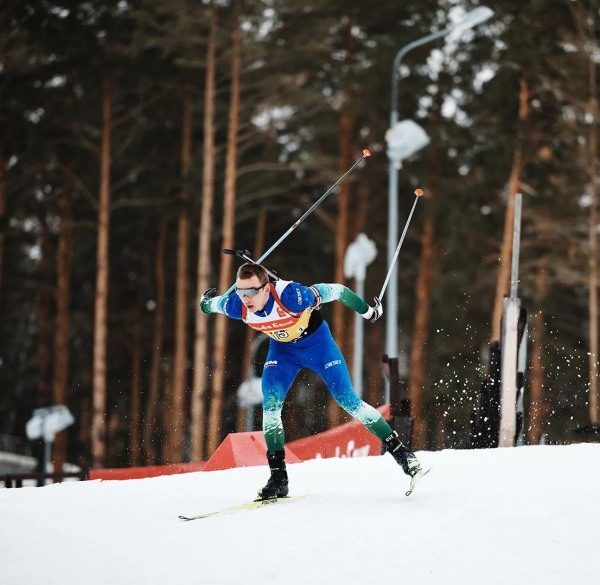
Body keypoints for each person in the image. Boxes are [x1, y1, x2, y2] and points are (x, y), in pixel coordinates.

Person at [200, 262, 424, 500]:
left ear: (266, 288)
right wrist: (206, 301)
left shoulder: (292, 296)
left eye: (251, 291)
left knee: (348, 401)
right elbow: (208, 306)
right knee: (271, 408)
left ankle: (404, 456)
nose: (246, 298)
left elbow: (337, 290)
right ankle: (278, 479)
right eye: (241, 292)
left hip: (317, 344)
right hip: (283, 351)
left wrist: (368, 311)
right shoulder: (235, 304)